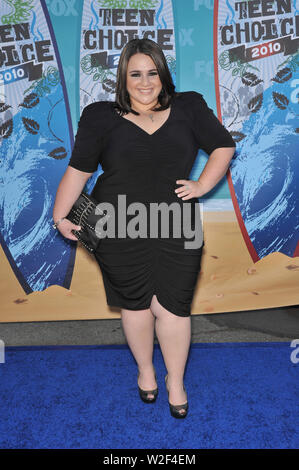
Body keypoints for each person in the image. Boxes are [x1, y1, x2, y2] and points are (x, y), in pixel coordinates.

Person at [53, 38, 236, 419]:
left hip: (176, 225)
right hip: (118, 224)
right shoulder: (99, 115)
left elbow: (223, 145)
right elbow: (80, 169)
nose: (145, 81)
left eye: (152, 72)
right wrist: (59, 215)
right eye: (135, 73)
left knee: (174, 308)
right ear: (123, 77)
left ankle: (176, 381)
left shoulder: (189, 106)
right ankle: (146, 371)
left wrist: (202, 185)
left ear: (163, 74)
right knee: (135, 306)